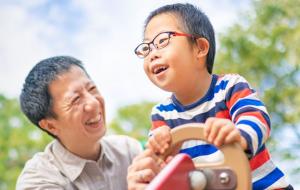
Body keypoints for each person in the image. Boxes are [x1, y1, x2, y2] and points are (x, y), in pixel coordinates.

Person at [133, 3, 293, 190]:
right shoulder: (162, 115)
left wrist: (240, 137)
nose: (152, 54)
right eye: (146, 48)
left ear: (200, 47)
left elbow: (256, 117)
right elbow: (161, 165)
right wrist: (159, 147)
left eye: (162, 41)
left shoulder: (229, 87)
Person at [16, 56, 143, 190]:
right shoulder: (38, 181)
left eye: (92, 89)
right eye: (76, 99)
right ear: (50, 125)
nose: (93, 103)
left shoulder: (128, 150)